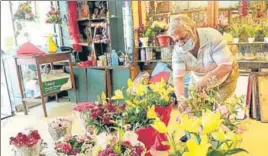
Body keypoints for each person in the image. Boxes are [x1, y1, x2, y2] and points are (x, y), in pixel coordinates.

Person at [169, 15, 239, 104]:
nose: (181, 44)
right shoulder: (178, 50)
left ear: (193, 29)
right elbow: (178, 78)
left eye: (183, 38)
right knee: (195, 110)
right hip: (199, 79)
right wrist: (181, 100)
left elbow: (226, 66)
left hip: (224, 79)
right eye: (176, 40)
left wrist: (206, 79)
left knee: (220, 112)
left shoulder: (212, 36)